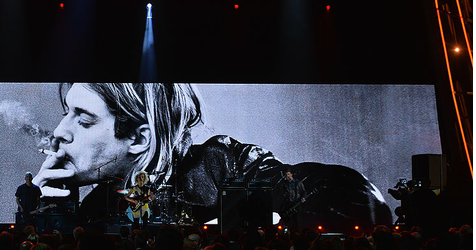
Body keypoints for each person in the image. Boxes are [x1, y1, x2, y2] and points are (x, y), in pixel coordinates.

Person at [33, 83, 391, 229]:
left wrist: (238, 237)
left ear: (140, 139)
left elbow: (344, 193)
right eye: (65, 113)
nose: (60, 131)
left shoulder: (222, 164)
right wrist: (49, 213)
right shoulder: (96, 207)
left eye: (82, 119)